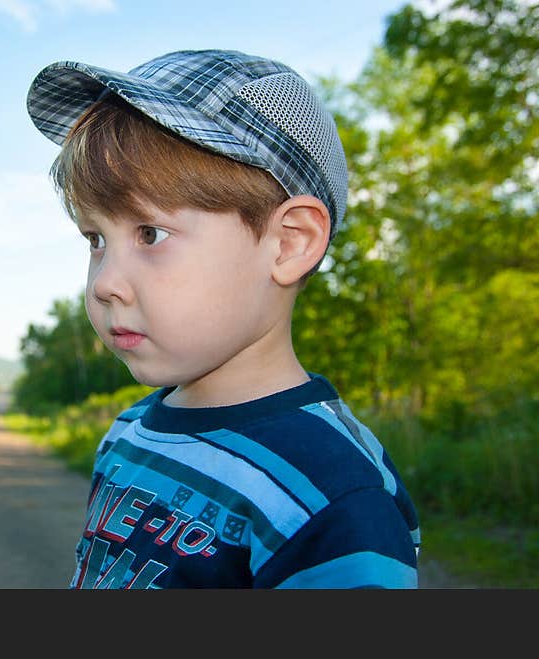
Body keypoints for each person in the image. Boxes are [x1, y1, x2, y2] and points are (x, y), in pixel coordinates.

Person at [26, 49, 420, 589]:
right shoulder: (130, 433)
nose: (104, 283)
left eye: (150, 234)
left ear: (288, 244)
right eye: (96, 240)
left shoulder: (333, 495)